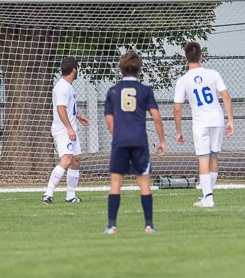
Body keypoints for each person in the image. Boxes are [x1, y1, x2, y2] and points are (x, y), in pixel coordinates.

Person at [103, 52, 166, 233]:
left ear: (120, 70)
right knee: (144, 183)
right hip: (139, 141)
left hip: (120, 141)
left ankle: (112, 226)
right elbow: (156, 116)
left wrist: (118, 135)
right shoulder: (145, 90)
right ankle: (148, 225)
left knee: (115, 184)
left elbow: (109, 119)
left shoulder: (113, 91)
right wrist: (161, 140)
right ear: (140, 69)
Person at [174, 42, 234, 208]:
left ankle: (208, 197)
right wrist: (230, 120)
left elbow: (177, 108)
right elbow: (226, 96)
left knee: (203, 158)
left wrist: (178, 130)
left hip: (201, 123)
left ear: (186, 58)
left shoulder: (183, 80)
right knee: (213, 157)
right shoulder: (213, 74)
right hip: (217, 120)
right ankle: (208, 196)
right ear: (201, 56)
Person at [42, 57, 90, 205]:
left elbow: (67, 108)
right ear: (74, 70)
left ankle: (70, 195)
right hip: (63, 130)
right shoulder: (62, 87)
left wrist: (78, 117)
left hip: (70, 128)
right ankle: (48, 193)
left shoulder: (67, 86)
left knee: (76, 160)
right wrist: (69, 128)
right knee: (66, 160)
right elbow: (60, 108)